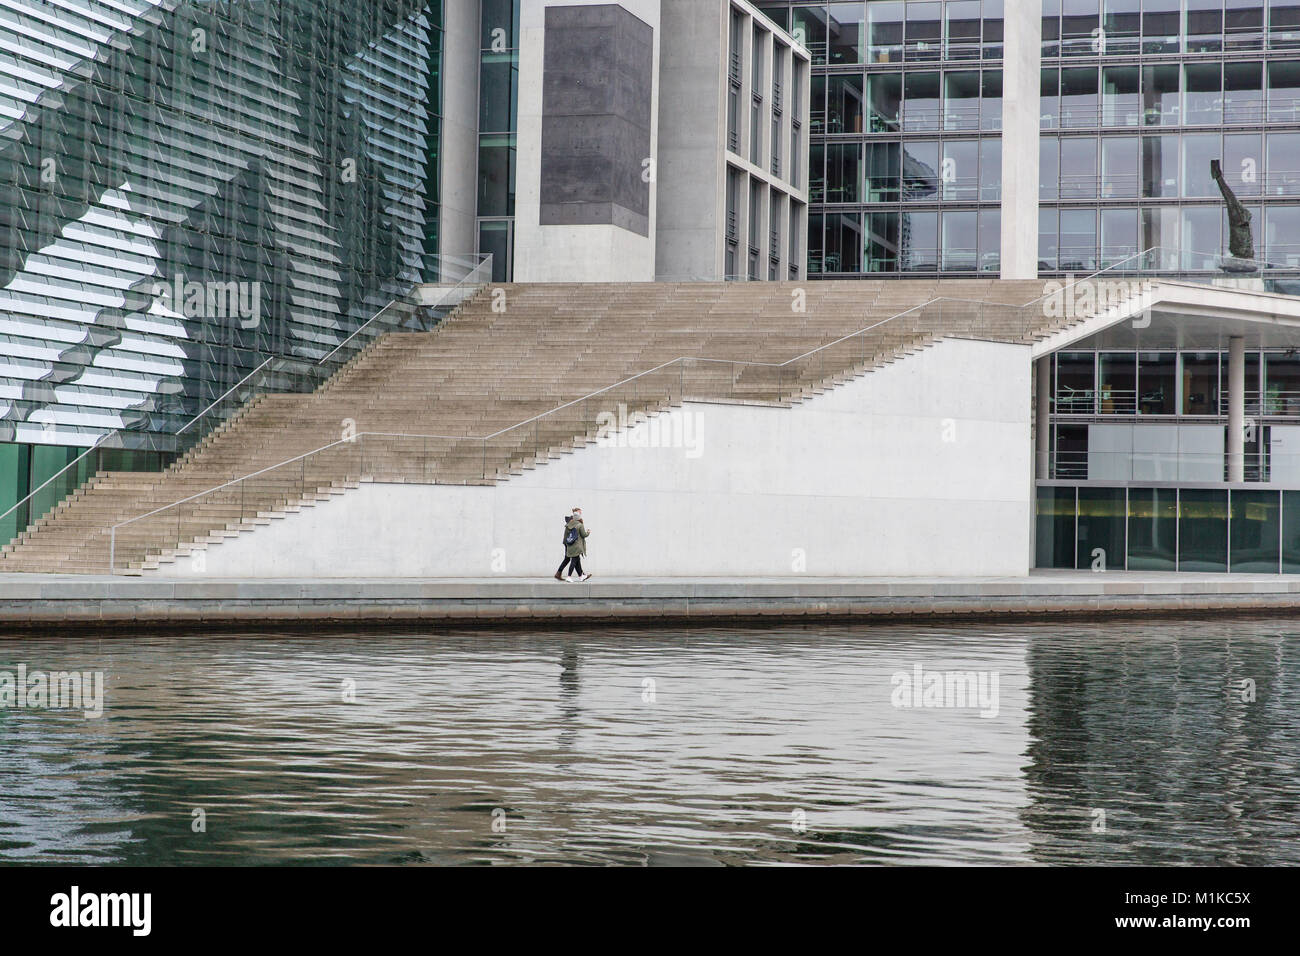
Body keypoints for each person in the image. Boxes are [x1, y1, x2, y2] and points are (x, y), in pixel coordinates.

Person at [554, 507, 591, 581]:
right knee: (571, 559)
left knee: (575, 558)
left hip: (569, 542)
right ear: (575, 512)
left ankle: (581, 575)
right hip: (570, 543)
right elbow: (580, 534)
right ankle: (564, 574)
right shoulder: (574, 520)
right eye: (580, 512)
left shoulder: (573, 520)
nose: (581, 513)